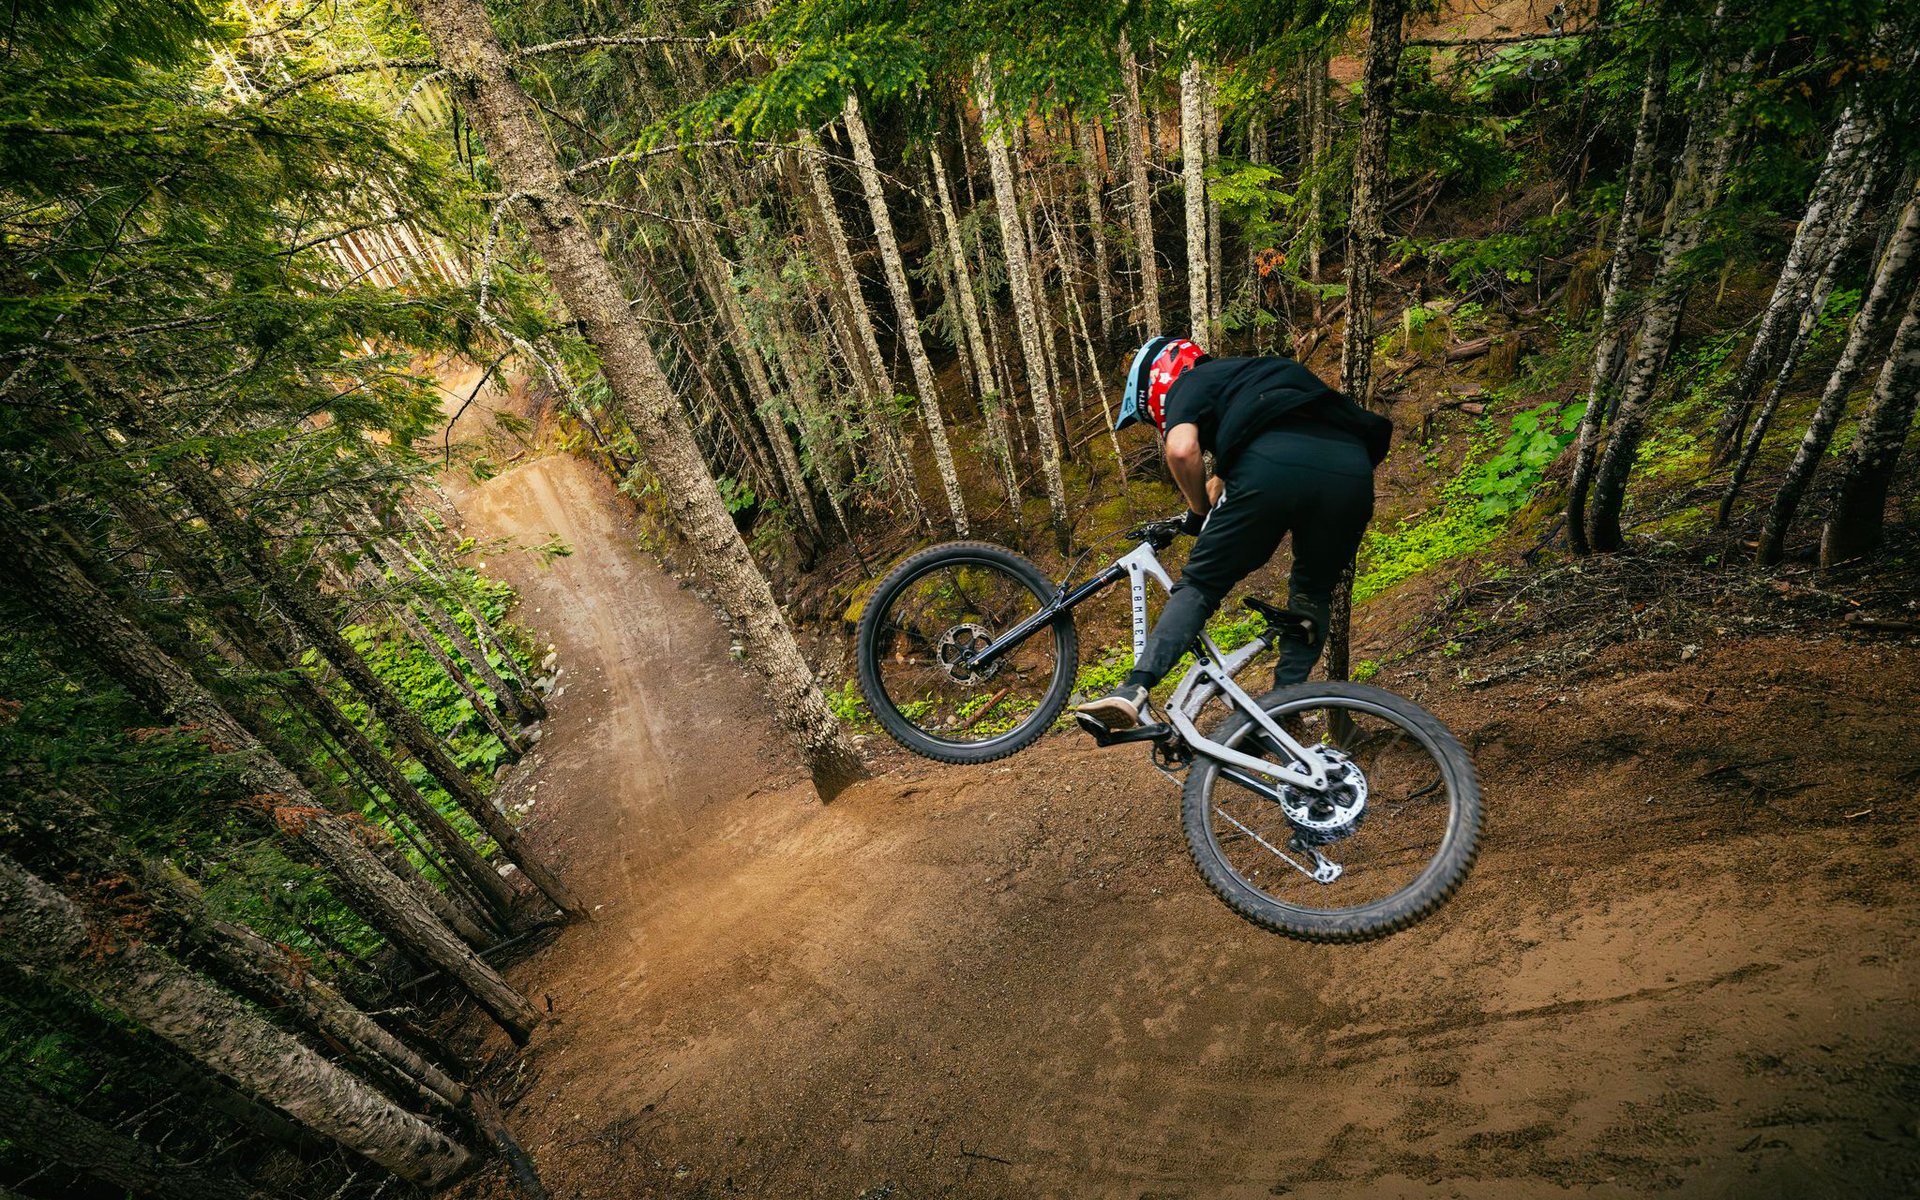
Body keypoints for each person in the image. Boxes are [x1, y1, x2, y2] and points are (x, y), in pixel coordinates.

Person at [1074, 336, 1391, 731]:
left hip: (1271, 464)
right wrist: (1217, 485)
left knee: (1201, 585)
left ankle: (1134, 689)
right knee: (1312, 593)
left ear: (1159, 382)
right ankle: (1283, 708)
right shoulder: (1265, 375)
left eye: (1153, 416)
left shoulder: (1188, 384)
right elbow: (1243, 456)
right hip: (1351, 471)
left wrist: (1197, 512)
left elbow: (1181, 450)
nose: (1159, 422)